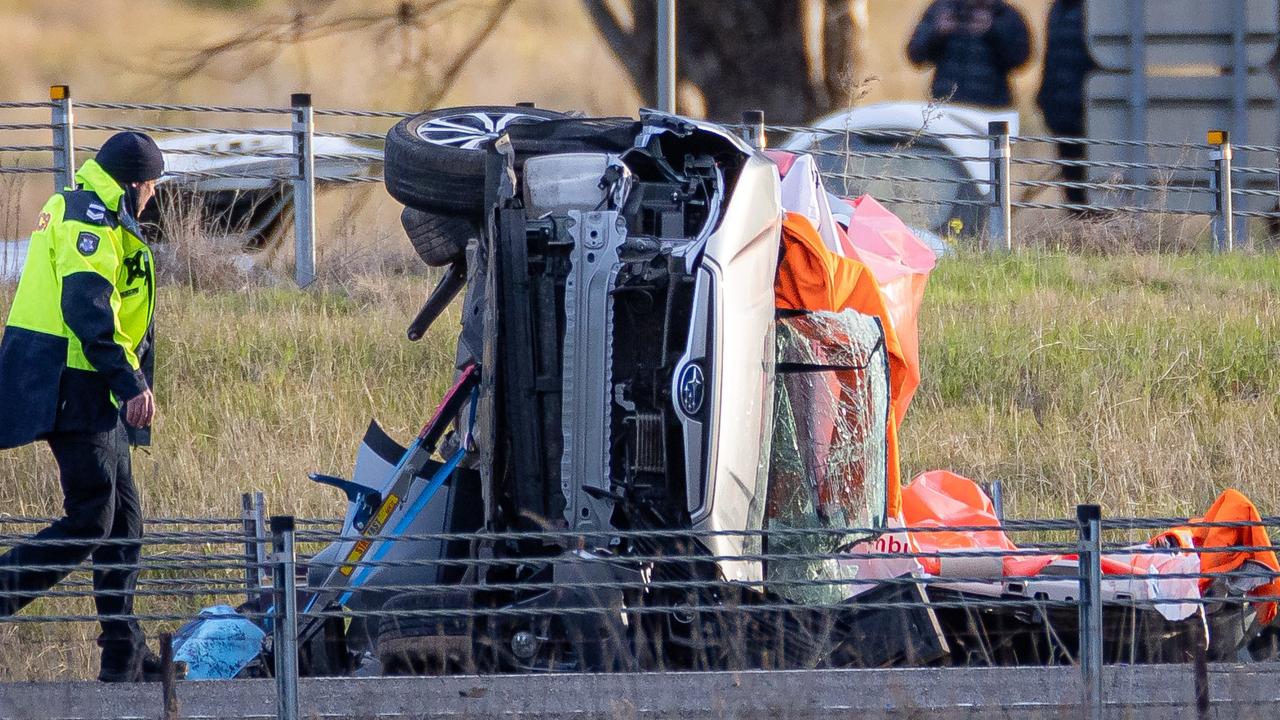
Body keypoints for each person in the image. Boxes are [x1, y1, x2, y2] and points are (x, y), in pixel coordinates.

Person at [0, 132, 162, 682]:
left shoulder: (96, 207)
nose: (153, 197)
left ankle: (126, 655)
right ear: (138, 183)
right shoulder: (88, 216)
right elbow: (86, 305)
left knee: (125, 521)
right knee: (93, 515)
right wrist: (131, 381)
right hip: (71, 380)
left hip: (94, 385)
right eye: (153, 187)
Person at [907, 0, 1032, 108]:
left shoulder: (1006, 15)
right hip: (945, 107)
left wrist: (993, 31)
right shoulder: (941, 10)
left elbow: (1021, 59)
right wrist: (938, 33)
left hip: (991, 109)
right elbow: (915, 55)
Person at [1037, 0, 1098, 210]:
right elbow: (1051, 57)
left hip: (1095, 111)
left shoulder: (1101, 11)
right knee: (1074, 188)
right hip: (1062, 111)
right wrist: (1045, 98)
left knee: (1101, 184)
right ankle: (1082, 234)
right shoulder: (1059, 8)